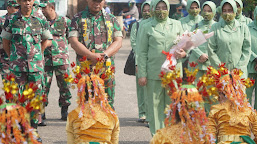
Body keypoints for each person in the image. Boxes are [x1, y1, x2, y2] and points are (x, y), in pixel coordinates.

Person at [1, 0, 53, 129]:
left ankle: (33, 129)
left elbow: (46, 39)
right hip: (17, 67)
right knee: (17, 97)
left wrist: (38, 55)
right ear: (19, 2)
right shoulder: (11, 19)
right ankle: (19, 128)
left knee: (35, 97)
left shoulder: (40, 18)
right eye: (24, 0)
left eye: (30, 0)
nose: (27, 3)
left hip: (35, 67)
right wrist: (13, 57)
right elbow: (6, 41)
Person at [137, 0, 185, 135]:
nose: (161, 10)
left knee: (173, 106)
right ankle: (157, 137)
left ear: (169, 8)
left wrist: (183, 53)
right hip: (154, 72)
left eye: (164, 7)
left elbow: (184, 46)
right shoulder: (146, 26)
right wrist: (142, 73)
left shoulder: (177, 24)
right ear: (152, 9)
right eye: (158, 8)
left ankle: (172, 137)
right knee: (154, 107)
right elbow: (141, 52)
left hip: (173, 72)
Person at [68, 0, 123, 108]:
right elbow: (73, 41)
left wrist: (105, 55)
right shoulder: (78, 18)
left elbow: (118, 41)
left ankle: (107, 123)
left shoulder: (111, 19)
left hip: (106, 68)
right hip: (85, 68)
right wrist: (90, 55)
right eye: (94, 1)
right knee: (86, 100)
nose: (97, 3)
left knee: (107, 100)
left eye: (100, 1)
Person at [66, 60, 119, 144]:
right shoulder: (112, 115)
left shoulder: (73, 115)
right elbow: (114, 141)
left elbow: (70, 142)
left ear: (81, 93)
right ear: (102, 91)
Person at [40, 0, 72, 123]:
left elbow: (72, 37)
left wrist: (63, 48)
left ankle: (64, 109)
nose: (42, 10)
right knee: (43, 86)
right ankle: (41, 112)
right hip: (45, 61)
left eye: (44, 8)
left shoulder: (65, 21)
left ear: (52, 7)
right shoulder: (41, 22)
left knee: (65, 86)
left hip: (62, 60)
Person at [207, 67, 257, 143]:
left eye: (219, 93)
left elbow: (209, 138)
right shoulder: (249, 111)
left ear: (221, 93)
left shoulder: (215, 110)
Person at [207, 0, 251, 79]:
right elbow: (211, 49)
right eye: (224, 11)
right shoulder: (215, 27)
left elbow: (247, 50)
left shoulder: (243, 28)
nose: (227, 13)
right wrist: (221, 68)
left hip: (239, 74)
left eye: (230, 10)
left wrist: (238, 68)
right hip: (220, 74)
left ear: (234, 11)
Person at [188, 1, 216, 113]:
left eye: (210, 11)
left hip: (211, 64)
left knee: (210, 93)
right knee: (195, 93)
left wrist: (208, 55)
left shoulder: (217, 26)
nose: (207, 13)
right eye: (205, 10)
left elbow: (219, 45)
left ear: (214, 11)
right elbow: (190, 42)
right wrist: (200, 54)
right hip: (196, 62)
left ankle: (210, 120)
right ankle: (196, 119)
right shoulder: (195, 25)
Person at [130, 1, 151, 123]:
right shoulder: (137, 25)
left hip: (153, 61)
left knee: (152, 88)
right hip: (140, 59)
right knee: (141, 88)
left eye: (149, 10)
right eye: (145, 10)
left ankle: (150, 113)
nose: (147, 12)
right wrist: (138, 61)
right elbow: (134, 43)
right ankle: (142, 112)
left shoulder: (154, 25)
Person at [0, 0, 19, 82]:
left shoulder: (20, 20)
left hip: (18, 57)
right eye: (15, 8)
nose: (17, 10)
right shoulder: (2, 20)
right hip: (5, 56)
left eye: (18, 8)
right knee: (9, 83)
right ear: (8, 8)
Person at [246, 6, 257, 109]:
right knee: (247, 96)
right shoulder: (247, 28)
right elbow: (245, 46)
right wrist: (255, 58)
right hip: (250, 67)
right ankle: (246, 120)